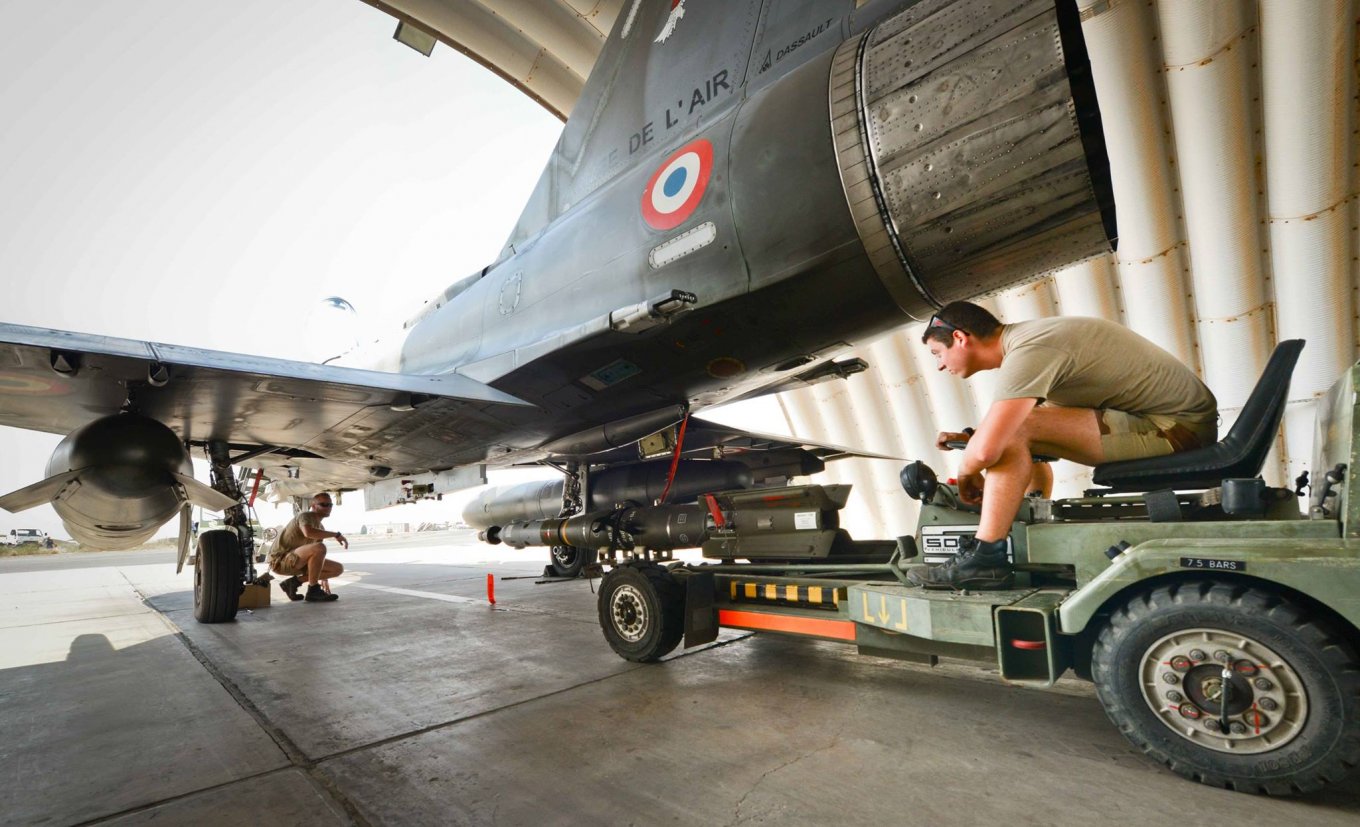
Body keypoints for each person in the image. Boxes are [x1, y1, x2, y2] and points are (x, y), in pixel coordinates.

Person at [910, 301, 1217, 589]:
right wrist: (972, 438)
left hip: (1176, 430)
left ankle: (985, 558)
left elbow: (992, 447)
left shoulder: (1030, 350)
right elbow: (1023, 426)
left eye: (937, 353)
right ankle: (1023, 521)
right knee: (1019, 425)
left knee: (1018, 428)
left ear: (960, 338)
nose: (939, 365)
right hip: (1168, 423)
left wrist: (967, 472)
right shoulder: (1029, 341)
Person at [270, 493, 348, 602]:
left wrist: (324, 578)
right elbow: (308, 532)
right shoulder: (305, 516)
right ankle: (313, 590)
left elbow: (317, 557)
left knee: (337, 569)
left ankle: (293, 583)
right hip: (280, 561)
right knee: (320, 547)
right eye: (324, 504)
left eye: (330, 505)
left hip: (297, 561)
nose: (328, 507)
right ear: (314, 506)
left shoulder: (320, 528)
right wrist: (336, 535)